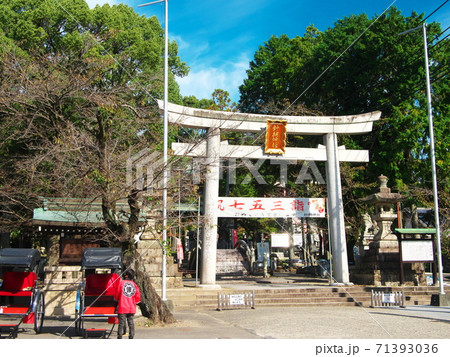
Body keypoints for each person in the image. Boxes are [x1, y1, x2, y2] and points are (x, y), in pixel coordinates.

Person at [114, 268, 141, 339]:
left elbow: (117, 294)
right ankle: (131, 337)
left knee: (121, 324)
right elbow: (137, 296)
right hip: (131, 307)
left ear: (125, 275)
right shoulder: (134, 285)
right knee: (131, 323)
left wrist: (116, 300)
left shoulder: (121, 283)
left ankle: (119, 337)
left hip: (122, 306)